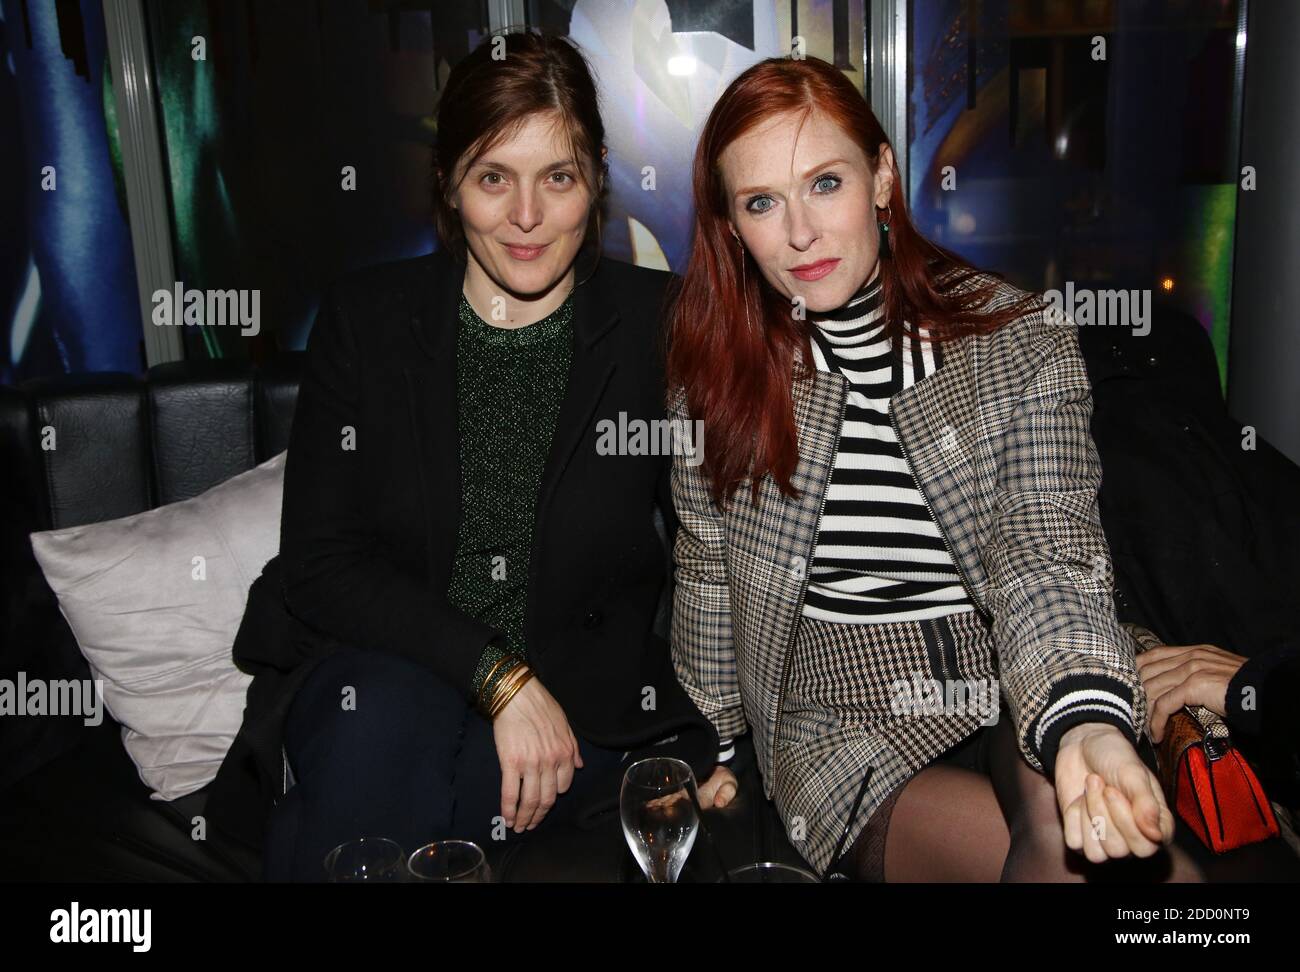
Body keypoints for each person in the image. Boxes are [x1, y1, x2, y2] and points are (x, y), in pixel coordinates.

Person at [665, 55, 1201, 882]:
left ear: (881, 177)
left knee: (1118, 856)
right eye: (763, 203)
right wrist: (717, 740)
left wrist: (1084, 719)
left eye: (826, 183)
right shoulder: (715, 376)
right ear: (732, 226)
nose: (800, 232)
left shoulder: (1018, 339)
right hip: (841, 708)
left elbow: (1044, 548)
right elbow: (706, 570)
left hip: (1008, 661)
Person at [208, 29, 716, 881]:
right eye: (493, 178)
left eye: (558, 177)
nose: (527, 216)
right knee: (378, 730)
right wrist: (498, 678)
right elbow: (322, 564)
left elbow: (731, 536)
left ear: (595, 177)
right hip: (385, 670)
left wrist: (731, 734)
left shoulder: (658, 325)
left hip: (574, 703)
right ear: (448, 183)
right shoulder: (367, 321)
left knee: (434, 818)